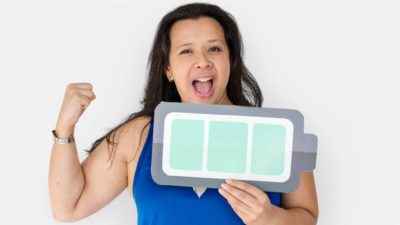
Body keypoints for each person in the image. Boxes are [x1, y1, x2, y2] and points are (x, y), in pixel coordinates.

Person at [48, 3, 318, 225]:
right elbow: (68, 208)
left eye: (214, 48)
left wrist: (271, 219)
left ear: (231, 59)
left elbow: (307, 216)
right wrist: (65, 127)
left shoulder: (278, 133)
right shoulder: (138, 135)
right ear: (168, 69)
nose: (202, 60)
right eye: (186, 51)